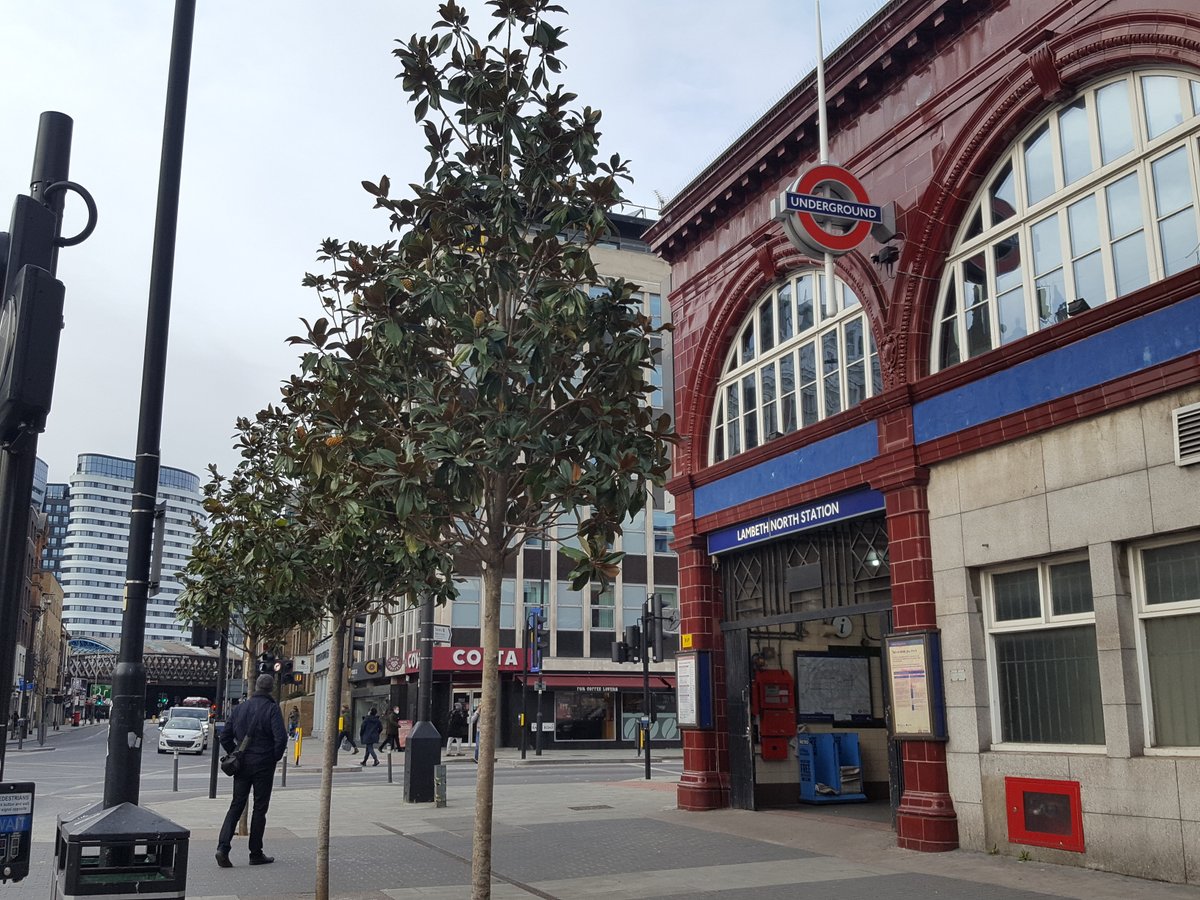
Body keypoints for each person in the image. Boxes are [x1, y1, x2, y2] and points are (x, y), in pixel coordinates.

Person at [215, 674, 286, 868]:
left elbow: (225, 736)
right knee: (260, 808)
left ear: (255, 687)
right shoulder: (272, 709)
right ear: (271, 689)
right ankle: (255, 853)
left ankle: (223, 847)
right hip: (263, 763)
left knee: (236, 805)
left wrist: (235, 753)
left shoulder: (240, 708)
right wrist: (273, 758)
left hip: (243, 763)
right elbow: (281, 738)